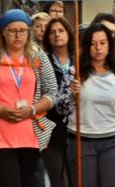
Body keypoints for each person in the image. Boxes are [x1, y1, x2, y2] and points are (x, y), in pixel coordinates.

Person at [0, 9, 58, 187]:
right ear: (2, 32)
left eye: (22, 30)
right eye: (12, 31)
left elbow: (52, 93)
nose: (18, 35)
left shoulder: (38, 57)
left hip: (29, 134)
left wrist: (32, 109)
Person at [58, 23, 115, 187]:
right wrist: (72, 95)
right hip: (80, 140)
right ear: (86, 47)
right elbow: (60, 109)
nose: (98, 48)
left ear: (109, 45)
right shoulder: (74, 73)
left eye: (102, 43)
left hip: (112, 141)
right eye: (93, 44)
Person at [41, 17, 74, 187]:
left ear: (68, 33)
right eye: (52, 32)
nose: (57, 35)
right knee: (59, 181)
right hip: (51, 130)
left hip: (78, 130)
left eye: (61, 30)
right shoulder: (42, 62)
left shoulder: (80, 59)